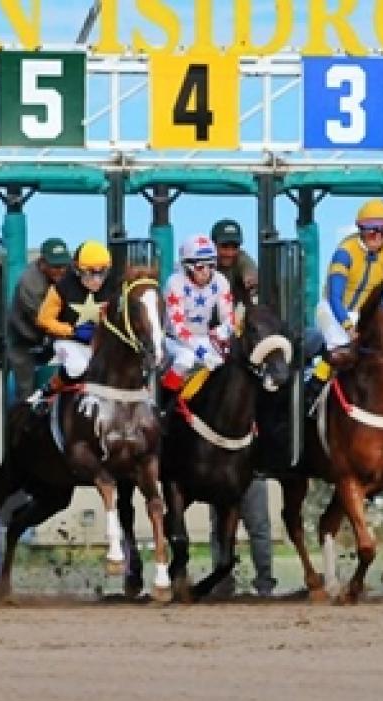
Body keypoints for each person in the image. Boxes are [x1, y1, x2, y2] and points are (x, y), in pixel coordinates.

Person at [207, 218, 275, 596]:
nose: (229, 252)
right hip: (211, 343)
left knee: (259, 524)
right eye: (224, 246)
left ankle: (265, 583)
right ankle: (222, 581)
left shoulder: (245, 264)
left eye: (233, 246)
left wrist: (252, 287)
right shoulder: (202, 271)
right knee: (221, 521)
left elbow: (251, 279)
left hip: (240, 341)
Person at [311, 199, 383, 386]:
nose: (378, 236)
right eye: (372, 230)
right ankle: (314, 388)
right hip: (334, 311)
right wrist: (348, 327)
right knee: (342, 349)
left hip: (364, 316)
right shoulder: (345, 252)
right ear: (361, 229)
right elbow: (334, 297)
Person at [26, 239, 115, 413]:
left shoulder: (114, 286)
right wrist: (72, 331)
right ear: (77, 270)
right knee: (77, 367)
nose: (97, 280)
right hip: (68, 341)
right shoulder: (61, 288)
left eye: (102, 273)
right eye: (90, 274)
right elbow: (44, 319)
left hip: (101, 342)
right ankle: (46, 392)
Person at [160, 234, 236, 394]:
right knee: (186, 359)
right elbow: (179, 330)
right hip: (173, 340)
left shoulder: (221, 280)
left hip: (204, 337)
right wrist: (202, 353)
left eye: (211, 265)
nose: (206, 272)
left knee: (231, 360)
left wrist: (222, 331)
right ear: (187, 266)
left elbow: (230, 318)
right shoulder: (175, 282)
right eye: (200, 267)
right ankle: (167, 398)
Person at [7, 237, 72, 402]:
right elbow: (45, 321)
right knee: (27, 391)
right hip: (25, 342)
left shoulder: (70, 274)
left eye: (65, 265)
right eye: (56, 266)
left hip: (56, 337)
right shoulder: (29, 284)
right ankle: (25, 413)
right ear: (42, 263)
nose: (62, 270)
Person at [211, 218, 258, 294]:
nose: (230, 253)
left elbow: (250, 271)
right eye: (224, 246)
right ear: (213, 245)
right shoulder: (204, 262)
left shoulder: (242, 259)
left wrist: (252, 281)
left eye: (235, 247)